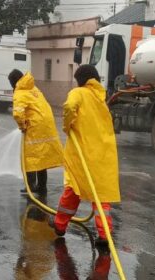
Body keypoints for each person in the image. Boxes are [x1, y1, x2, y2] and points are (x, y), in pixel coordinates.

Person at [49, 65, 121, 246]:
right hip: (103, 154)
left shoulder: (78, 92)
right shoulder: (100, 98)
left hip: (84, 153)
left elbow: (69, 106)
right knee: (101, 197)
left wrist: (67, 126)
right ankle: (105, 236)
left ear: (81, 80)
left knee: (73, 189)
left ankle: (59, 226)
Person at [8, 69, 63, 195]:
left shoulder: (20, 92)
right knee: (41, 157)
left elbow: (17, 113)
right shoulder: (33, 88)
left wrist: (22, 125)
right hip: (47, 123)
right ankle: (42, 187)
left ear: (13, 82)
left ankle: (31, 186)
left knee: (30, 157)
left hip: (35, 126)